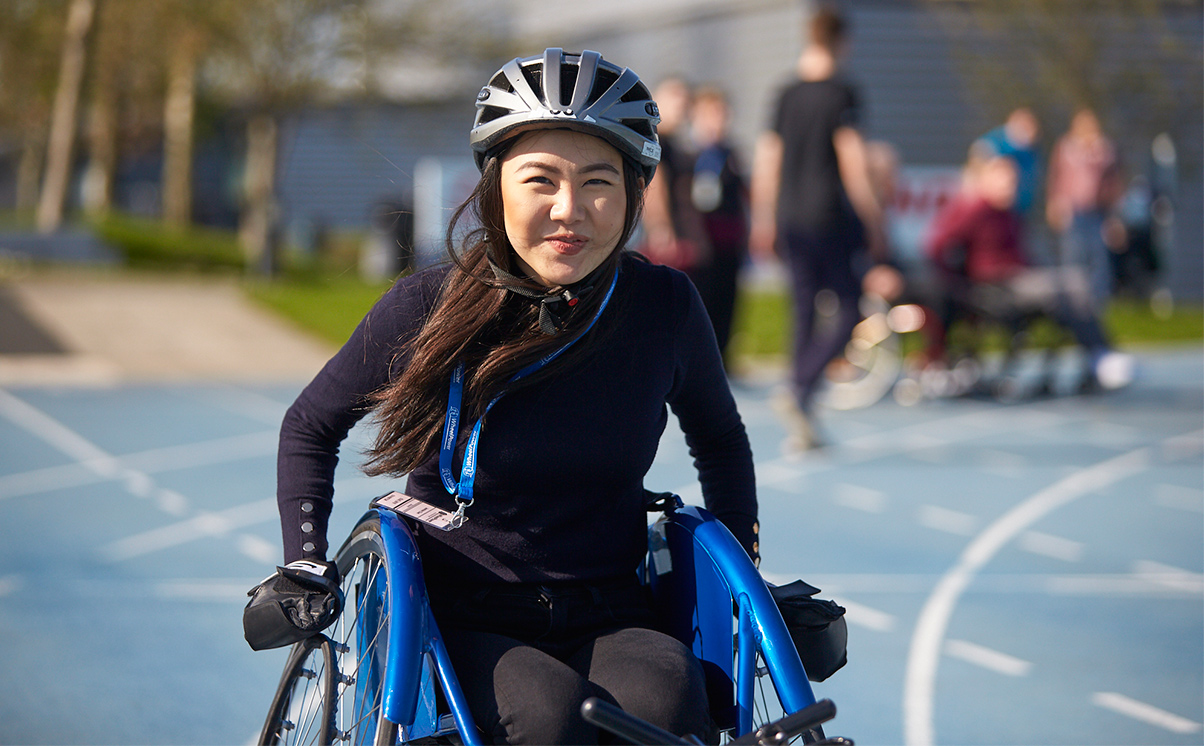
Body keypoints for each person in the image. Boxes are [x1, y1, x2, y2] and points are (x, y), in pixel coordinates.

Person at [266, 49, 759, 745]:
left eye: (598, 182)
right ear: (497, 188)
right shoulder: (426, 306)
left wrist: (746, 572)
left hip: (612, 609)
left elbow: (720, 438)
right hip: (460, 614)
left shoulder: (663, 307)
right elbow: (311, 425)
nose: (570, 210)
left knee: (669, 702)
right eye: (541, 181)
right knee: (548, 716)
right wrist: (306, 560)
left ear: (633, 193)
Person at [749, 3, 886, 450]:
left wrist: (765, 216)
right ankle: (802, 387)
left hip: (790, 214)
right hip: (829, 214)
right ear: (842, 42)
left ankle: (801, 414)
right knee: (848, 307)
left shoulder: (786, 93)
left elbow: (768, 158)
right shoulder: (841, 92)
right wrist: (873, 215)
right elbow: (853, 160)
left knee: (805, 309)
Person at [926, 153, 1133, 391]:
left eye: (1014, 180)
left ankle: (1099, 354)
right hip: (997, 287)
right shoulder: (976, 210)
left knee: (1074, 287)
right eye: (1004, 179)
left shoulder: (1011, 214)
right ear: (987, 180)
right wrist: (957, 283)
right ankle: (1101, 357)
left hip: (1020, 280)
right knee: (1072, 284)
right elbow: (937, 246)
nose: (1010, 186)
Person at [688, 85, 749, 365]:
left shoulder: (731, 153)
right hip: (702, 239)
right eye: (712, 113)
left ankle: (723, 360)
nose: (719, 119)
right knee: (702, 301)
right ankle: (699, 359)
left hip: (730, 238)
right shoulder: (689, 153)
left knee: (728, 301)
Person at [1045, 107, 1124, 309]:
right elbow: (1055, 177)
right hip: (1072, 210)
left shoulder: (1105, 149)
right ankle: (1073, 302)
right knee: (1073, 255)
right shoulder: (1065, 147)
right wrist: (1054, 203)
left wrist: (1116, 216)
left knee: (1098, 257)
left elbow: (1113, 183)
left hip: (1098, 211)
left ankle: (1098, 303)